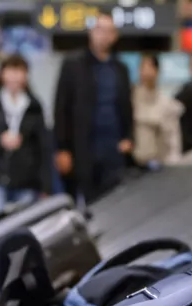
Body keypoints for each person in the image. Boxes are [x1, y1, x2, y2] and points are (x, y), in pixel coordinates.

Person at [53, 13, 134, 206]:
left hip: (113, 147)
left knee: (114, 202)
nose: (103, 36)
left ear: (115, 36)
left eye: (109, 31)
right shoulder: (73, 64)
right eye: (99, 30)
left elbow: (127, 106)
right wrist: (62, 148)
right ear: (91, 32)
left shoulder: (120, 68)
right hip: (83, 147)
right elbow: (61, 107)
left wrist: (129, 137)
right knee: (87, 202)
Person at [0, 55, 51, 204]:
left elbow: (43, 147)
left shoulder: (33, 106)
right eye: (11, 71)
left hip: (26, 180)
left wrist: (46, 185)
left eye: (20, 72)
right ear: (2, 74)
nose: (15, 77)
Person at [131, 54, 182, 169]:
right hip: (136, 164)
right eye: (143, 68)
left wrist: (174, 163)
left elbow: (173, 137)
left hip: (160, 163)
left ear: (157, 71)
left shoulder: (166, 103)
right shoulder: (132, 100)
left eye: (151, 67)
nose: (147, 72)